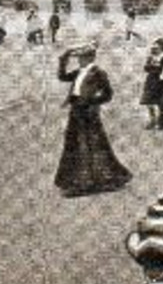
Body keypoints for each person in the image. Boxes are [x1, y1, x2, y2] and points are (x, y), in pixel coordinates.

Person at [53, 43, 131, 196]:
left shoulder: (98, 73)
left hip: (88, 113)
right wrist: (64, 59)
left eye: (81, 57)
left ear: (90, 57)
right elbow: (62, 76)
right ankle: (78, 181)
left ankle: (87, 182)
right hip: (76, 110)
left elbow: (108, 94)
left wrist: (91, 102)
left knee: (90, 145)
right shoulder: (79, 72)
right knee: (74, 144)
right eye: (79, 57)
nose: (79, 60)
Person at [140, 37, 163, 128]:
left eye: (156, 48)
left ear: (162, 48)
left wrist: (153, 68)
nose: (154, 49)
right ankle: (153, 119)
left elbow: (162, 70)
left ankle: (161, 119)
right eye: (153, 48)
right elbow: (146, 68)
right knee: (148, 101)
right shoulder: (150, 57)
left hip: (160, 82)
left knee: (160, 102)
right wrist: (153, 67)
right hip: (151, 81)